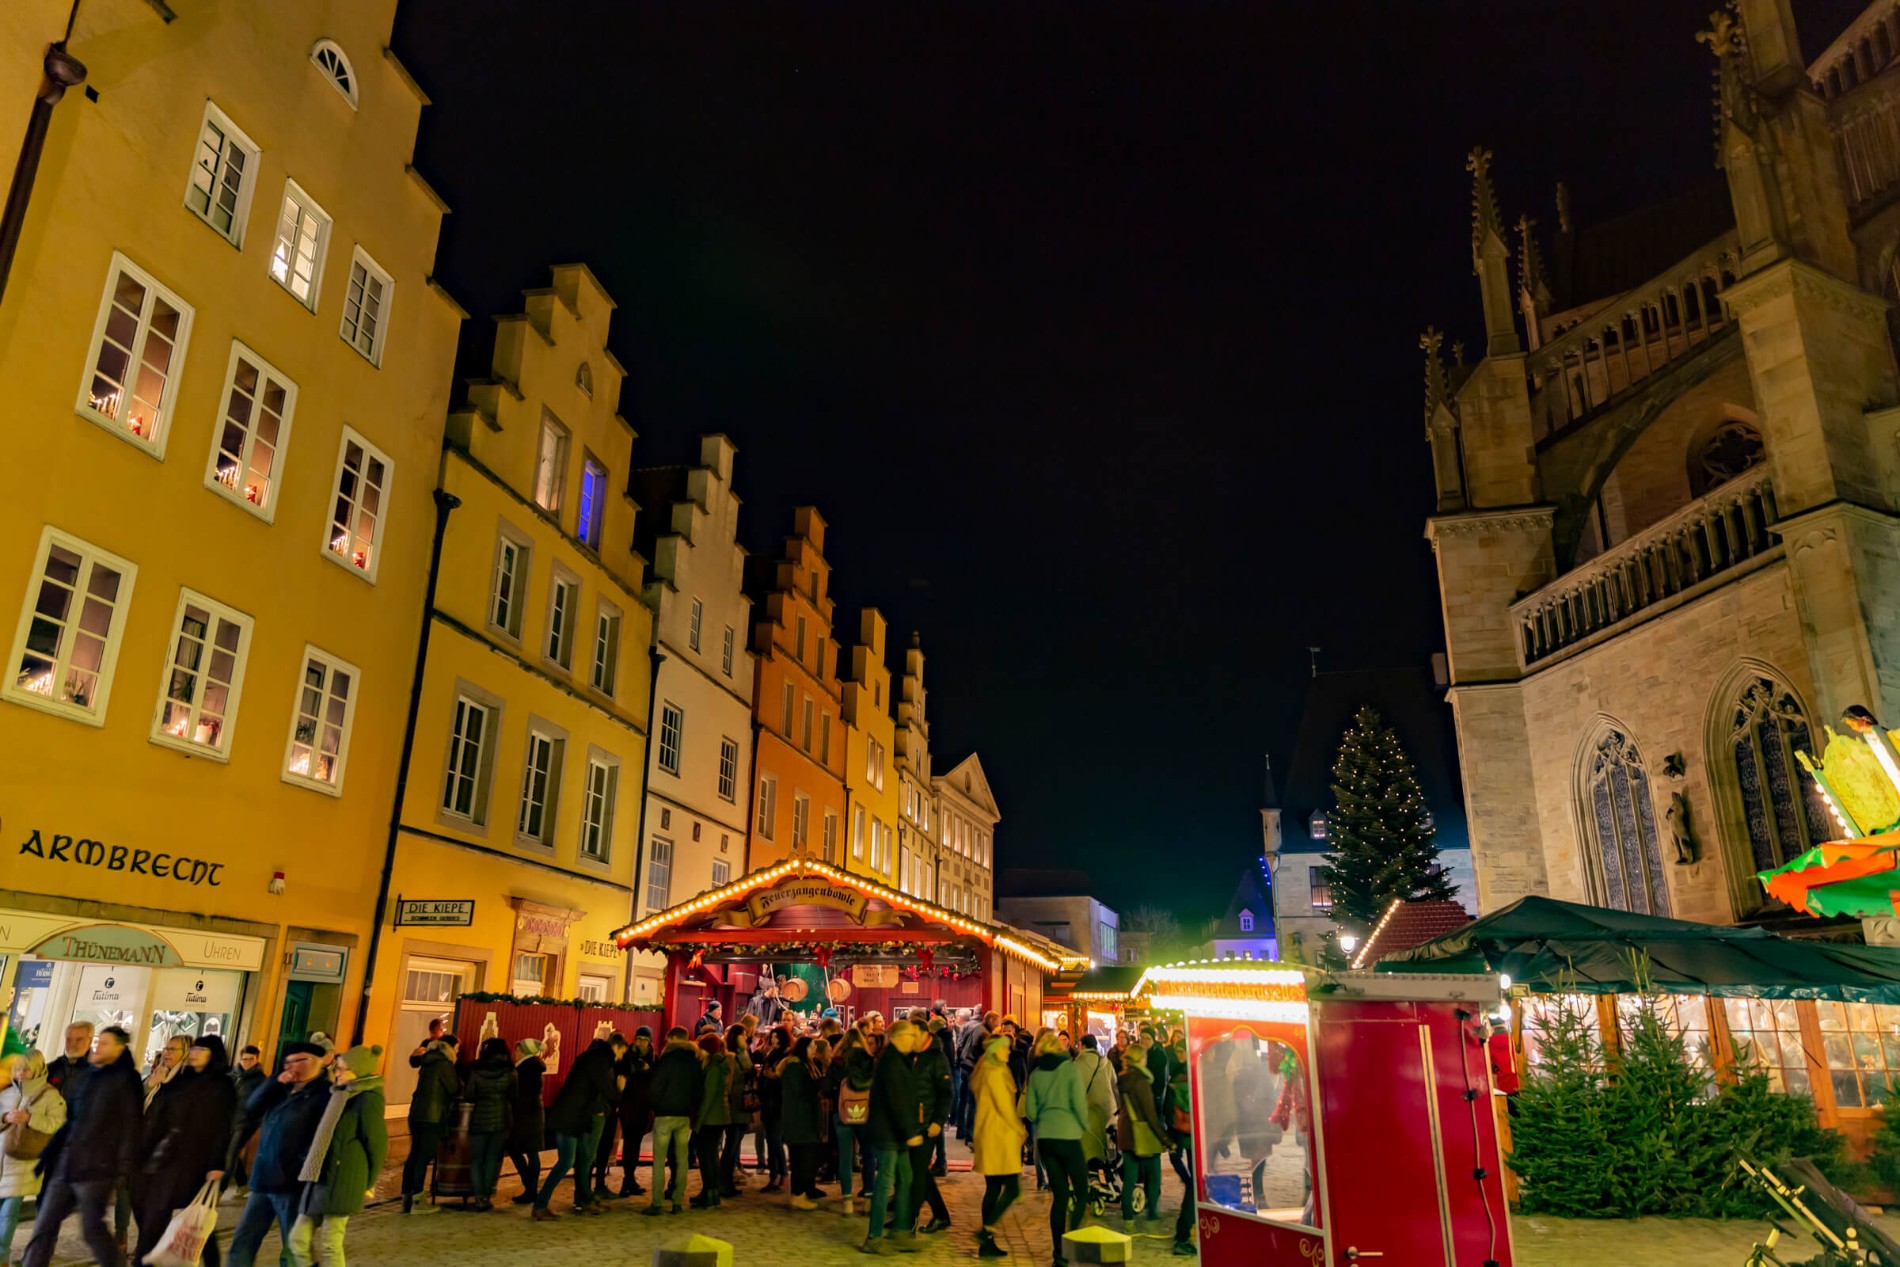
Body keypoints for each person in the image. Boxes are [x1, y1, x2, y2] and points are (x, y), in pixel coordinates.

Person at [22, 1024, 141, 1267]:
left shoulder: (126, 1079)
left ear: (119, 1049)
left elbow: (131, 1126)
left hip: (97, 1168)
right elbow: (71, 1121)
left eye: (105, 1043)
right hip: (67, 1163)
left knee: (92, 1229)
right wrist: (49, 1154)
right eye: (99, 1041)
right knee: (44, 1223)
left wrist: (124, 1168)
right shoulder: (90, 1075)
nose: (99, 1046)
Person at [134, 1035, 237, 1267]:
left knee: (195, 1220)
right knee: (160, 1216)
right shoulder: (182, 1080)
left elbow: (223, 1127)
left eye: (201, 1049)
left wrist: (217, 1164)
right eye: (194, 1048)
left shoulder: (221, 1085)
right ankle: (145, 1261)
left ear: (213, 1054)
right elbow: (162, 1115)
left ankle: (209, 1262)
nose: (194, 1053)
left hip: (198, 1163)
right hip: (170, 1158)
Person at [225, 1042, 329, 1267]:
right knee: (244, 1240)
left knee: (293, 1246)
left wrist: (302, 1166)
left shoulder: (323, 1094)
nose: (291, 1067)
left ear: (315, 1062)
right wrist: (274, 1081)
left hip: (292, 1183)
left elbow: (324, 1138)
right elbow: (253, 1106)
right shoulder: (281, 1088)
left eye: (298, 1061)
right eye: (288, 1062)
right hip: (263, 1179)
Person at [289, 1043, 385, 1267]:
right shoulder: (338, 1094)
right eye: (337, 1068)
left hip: (344, 1179)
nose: (337, 1073)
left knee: (331, 1244)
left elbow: (377, 1144)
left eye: (342, 1069)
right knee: (298, 1239)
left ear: (358, 1070)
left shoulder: (367, 1099)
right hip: (320, 1175)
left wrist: (368, 1182)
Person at [533, 1032, 624, 1221]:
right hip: (569, 1117)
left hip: (576, 1116)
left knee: (583, 1160)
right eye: (621, 1053)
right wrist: (620, 1090)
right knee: (566, 1162)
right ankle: (540, 1204)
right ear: (616, 1047)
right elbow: (605, 1089)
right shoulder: (601, 1059)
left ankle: (583, 1201)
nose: (620, 1058)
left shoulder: (593, 1056)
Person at [1026, 1030, 1090, 1265]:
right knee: (1082, 1190)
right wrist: (1083, 1126)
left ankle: (1058, 1254)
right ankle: (1072, 1238)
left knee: (1060, 1196)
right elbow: (1079, 1104)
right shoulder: (1069, 1070)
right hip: (1069, 1136)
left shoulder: (1035, 1075)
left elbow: (1030, 1111)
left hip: (1047, 1140)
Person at [862, 1020, 923, 1256]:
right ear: (898, 1037)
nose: (913, 1038)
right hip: (889, 1133)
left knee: (904, 1179)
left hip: (894, 1133)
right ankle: (874, 1237)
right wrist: (910, 1133)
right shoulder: (892, 1062)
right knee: (886, 1182)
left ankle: (900, 1230)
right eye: (909, 1035)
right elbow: (897, 1101)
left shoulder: (898, 1060)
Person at [0, 1051, 65, 1263]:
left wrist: (30, 1118)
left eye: (26, 1068)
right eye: (17, 1068)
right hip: (2, 1158)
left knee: (8, 1215)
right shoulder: (8, 1093)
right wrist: (4, 1117)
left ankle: (1, 1256)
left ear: (38, 1068)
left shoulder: (50, 1096)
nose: (20, 1073)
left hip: (24, 1163)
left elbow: (58, 1124)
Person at [970, 1034, 1024, 1259]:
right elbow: (1004, 1105)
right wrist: (1019, 1129)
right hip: (999, 1135)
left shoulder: (985, 1069)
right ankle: (987, 1231)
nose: (1008, 1051)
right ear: (995, 1050)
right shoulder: (995, 1072)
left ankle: (987, 1242)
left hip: (990, 1134)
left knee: (993, 1188)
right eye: (1005, 1048)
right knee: (1012, 1188)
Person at [642, 1027, 701, 1217]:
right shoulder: (694, 1061)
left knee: (659, 1160)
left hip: (664, 1114)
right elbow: (698, 1090)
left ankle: (657, 1203)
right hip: (683, 1115)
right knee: (682, 1159)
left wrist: (656, 1105)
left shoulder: (667, 1060)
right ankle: (677, 1201)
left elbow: (655, 1086)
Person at [401, 1031, 460, 1212]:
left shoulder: (428, 1061)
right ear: (450, 1048)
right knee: (423, 1157)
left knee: (414, 1155)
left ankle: (407, 1197)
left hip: (417, 1113)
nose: (458, 1052)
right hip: (432, 1116)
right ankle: (418, 1201)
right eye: (457, 1048)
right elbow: (454, 1089)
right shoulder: (444, 1064)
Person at [908, 1019, 953, 1235]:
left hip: (928, 1125)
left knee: (917, 1172)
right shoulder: (911, 1055)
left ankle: (908, 1221)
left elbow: (946, 1092)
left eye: (913, 1034)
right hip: (912, 1122)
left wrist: (938, 1120)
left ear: (924, 1034)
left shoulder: (937, 1058)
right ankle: (941, 1215)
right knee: (920, 1172)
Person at [1115, 1046, 1167, 1230]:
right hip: (1141, 1133)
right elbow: (1150, 1114)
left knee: (1130, 1178)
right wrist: (1164, 1138)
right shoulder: (1141, 1081)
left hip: (1126, 1130)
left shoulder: (1123, 1078)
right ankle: (1152, 1213)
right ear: (1141, 1058)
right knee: (1153, 1175)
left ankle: (1127, 1217)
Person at [463, 1038, 516, 1210]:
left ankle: (479, 1197)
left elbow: (469, 1094)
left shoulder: (476, 1070)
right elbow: (514, 1095)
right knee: (493, 1158)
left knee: (477, 1159)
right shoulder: (509, 1071)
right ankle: (487, 1195)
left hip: (479, 1118)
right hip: (501, 1119)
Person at [829, 1027, 876, 1217]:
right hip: (866, 1112)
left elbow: (826, 1086)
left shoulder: (838, 1061)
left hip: (841, 1112)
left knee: (845, 1157)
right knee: (868, 1154)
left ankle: (847, 1200)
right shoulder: (869, 1059)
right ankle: (868, 1200)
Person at [778, 1035, 827, 1210]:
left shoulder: (803, 1066)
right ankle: (798, 1195)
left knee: (804, 1158)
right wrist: (820, 1083)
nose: (815, 1050)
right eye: (812, 1047)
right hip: (800, 1121)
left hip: (802, 1120)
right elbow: (802, 1091)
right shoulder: (795, 1068)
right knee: (802, 1159)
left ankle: (799, 1194)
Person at [689, 1032, 732, 1209]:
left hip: (711, 1118)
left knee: (706, 1155)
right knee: (711, 1155)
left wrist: (698, 1122)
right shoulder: (717, 1065)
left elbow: (708, 1096)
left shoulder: (712, 1068)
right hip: (718, 1116)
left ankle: (709, 1191)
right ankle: (711, 1191)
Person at [611, 1026, 654, 1198]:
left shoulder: (652, 1057)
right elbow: (620, 1076)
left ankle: (629, 1180)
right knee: (629, 1143)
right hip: (629, 1105)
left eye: (644, 1040)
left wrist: (648, 1071)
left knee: (635, 1144)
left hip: (644, 1107)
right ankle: (628, 1180)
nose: (641, 1043)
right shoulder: (627, 1056)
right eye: (639, 1039)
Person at [507, 1038, 547, 1206]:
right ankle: (531, 1189)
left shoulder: (524, 1069)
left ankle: (530, 1188)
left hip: (524, 1114)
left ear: (523, 1051)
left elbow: (519, 1093)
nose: (515, 1053)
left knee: (516, 1150)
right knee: (532, 1152)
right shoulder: (534, 1067)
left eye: (517, 1050)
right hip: (533, 1113)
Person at [1166, 1038, 1195, 1257]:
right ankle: (1182, 1235)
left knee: (1193, 1184)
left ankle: (1187, 1228)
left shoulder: (1175, 1075)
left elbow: (1167, 1109)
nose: (1179, 1054)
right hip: (1193, 1137)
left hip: (1180, 1136)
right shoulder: (1194, 1073)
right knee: (1195, 1185)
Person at [226, 1045, 267, 1192]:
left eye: (251, 1059)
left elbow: (262, 1102)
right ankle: (242, 1183)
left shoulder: (261, 1080)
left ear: (257, 1059)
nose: (247, 1062)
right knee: (230, 1152)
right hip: (230, 1119)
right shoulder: (233, 1075)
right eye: (244, 1059)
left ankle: (219, 1189)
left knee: (230, 1153)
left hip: (246, 1122)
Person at [1074, 1035, 1116, 1177]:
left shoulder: (1076, 1065)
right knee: (1105, 1147)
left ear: (1082, 1046)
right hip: (1107, 1110)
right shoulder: (1106, 1063)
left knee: (1089, 1147)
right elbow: (1115, 1087)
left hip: (1086, 1111)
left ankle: (1091, 1178)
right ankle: (1109, 1179)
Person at [756, 1027, 790, 1194]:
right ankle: (774, 1175)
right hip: (768, 1102)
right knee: (770, 1140)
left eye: (777, 1037)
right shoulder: (771, 1055)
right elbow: (764, 1075)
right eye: (773, 1037)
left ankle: (782, 1173)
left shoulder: (786, 1056)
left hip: (778, 1103)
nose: (774, 1040)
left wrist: (773, 1077)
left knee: (775, 1140)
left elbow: (785, 1080)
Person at [719, 1023, 751, 1196]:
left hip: (743, 1104)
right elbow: (729, 1081)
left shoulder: (745, 1053)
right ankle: (724, 1182)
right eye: (742, 1035)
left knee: (734, 1143)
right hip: (734, 1105)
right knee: (731, 1144)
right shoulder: (730, 1056)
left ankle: (727, 1181)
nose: (745, 1038)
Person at [953, 1011, 994, 1139]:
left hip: (964, 1065)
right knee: (973, 1102)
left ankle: (961, 1130)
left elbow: (959, 1045)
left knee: (963, 1099)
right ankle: (970, 1133)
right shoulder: (983, 1031)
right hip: (973, 1067)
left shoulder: (968, 1026)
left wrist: (959, 1061)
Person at [925, 1017, 955, 1177]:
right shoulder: (947, 1039)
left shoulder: (937, 1048)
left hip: (933, 1097)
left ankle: (939, 1162)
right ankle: (940, 1161)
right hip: (937, 1094)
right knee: (938, 1132)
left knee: (935, 1132)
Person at [43, 1022, 93, 1092]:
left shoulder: (98, 1073)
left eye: (78, 1040)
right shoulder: (51, 1069)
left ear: (90, 1041)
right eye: (68, 1040)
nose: (72, 1044)